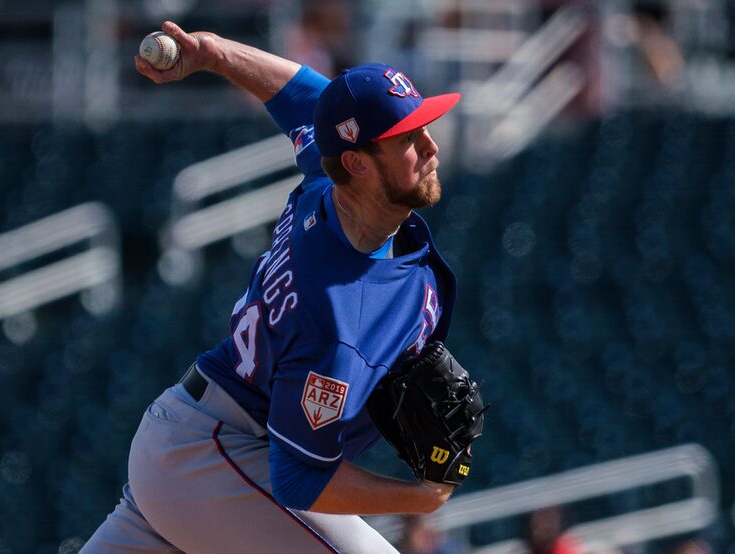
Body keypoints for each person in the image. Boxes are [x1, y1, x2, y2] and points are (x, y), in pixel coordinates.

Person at [82, 19, 463, 554]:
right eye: (408, 138)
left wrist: (213, 53)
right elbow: (300, 480)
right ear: (358, 162)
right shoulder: (340, 319)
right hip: (218, 458)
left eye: (425, 127)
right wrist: (420, 498)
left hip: (191, 444)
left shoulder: (328, 178)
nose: (431, 146)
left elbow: (308, 97)